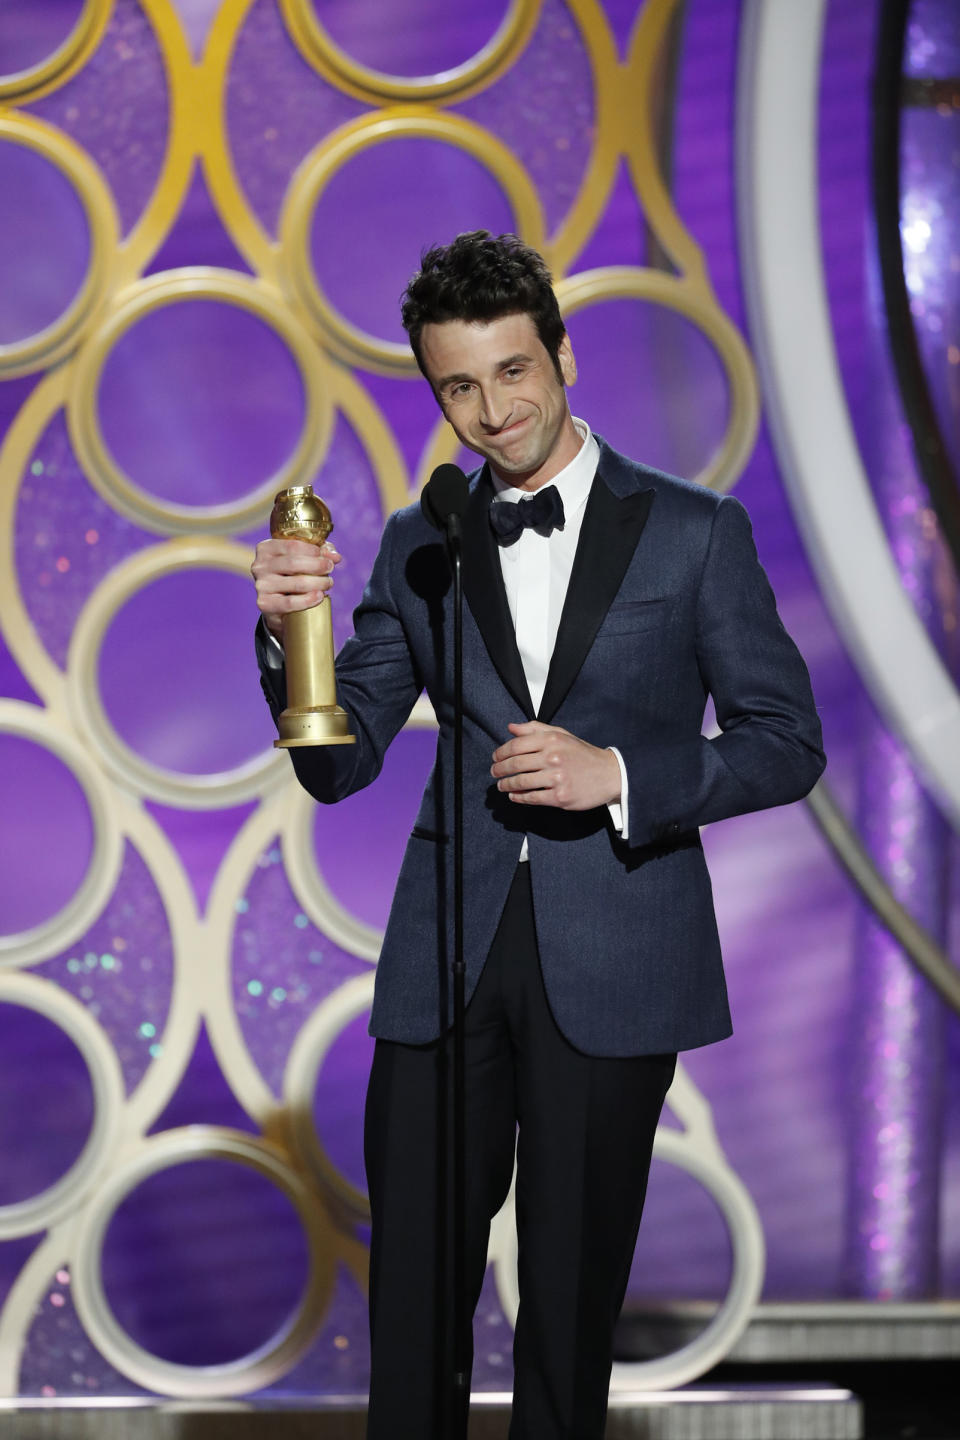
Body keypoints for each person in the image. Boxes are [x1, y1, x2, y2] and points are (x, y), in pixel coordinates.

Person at [252, 231, 825, 1439]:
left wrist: (617, 772)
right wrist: (291, 636)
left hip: (615, 949)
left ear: (562, 355)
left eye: (513, 372)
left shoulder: (694, 530)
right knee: (414, 1298)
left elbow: (785, 740)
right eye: (458, 386)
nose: (490, 410)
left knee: (568, 1307)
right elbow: (338, 760)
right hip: (445, 957)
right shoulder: (423, 540)